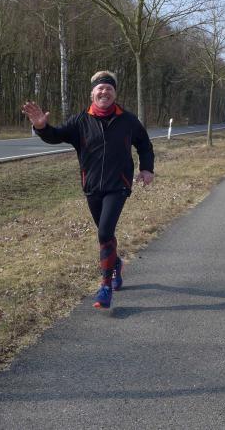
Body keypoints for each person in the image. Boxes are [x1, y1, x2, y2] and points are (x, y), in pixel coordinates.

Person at [21, 70, 154, 310]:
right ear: (92, 93)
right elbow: (56, 136)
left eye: (109, 88)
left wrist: (147, 168)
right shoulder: (80, 121)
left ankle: (105, 287)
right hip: (92, 187)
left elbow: (144, 144)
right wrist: (41, 127)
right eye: (100, 88)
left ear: (115, 94)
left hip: (118, 185)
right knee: (106, 235)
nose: (104, 92)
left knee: (104, 232)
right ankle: (116, 264)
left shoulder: (128, 120)